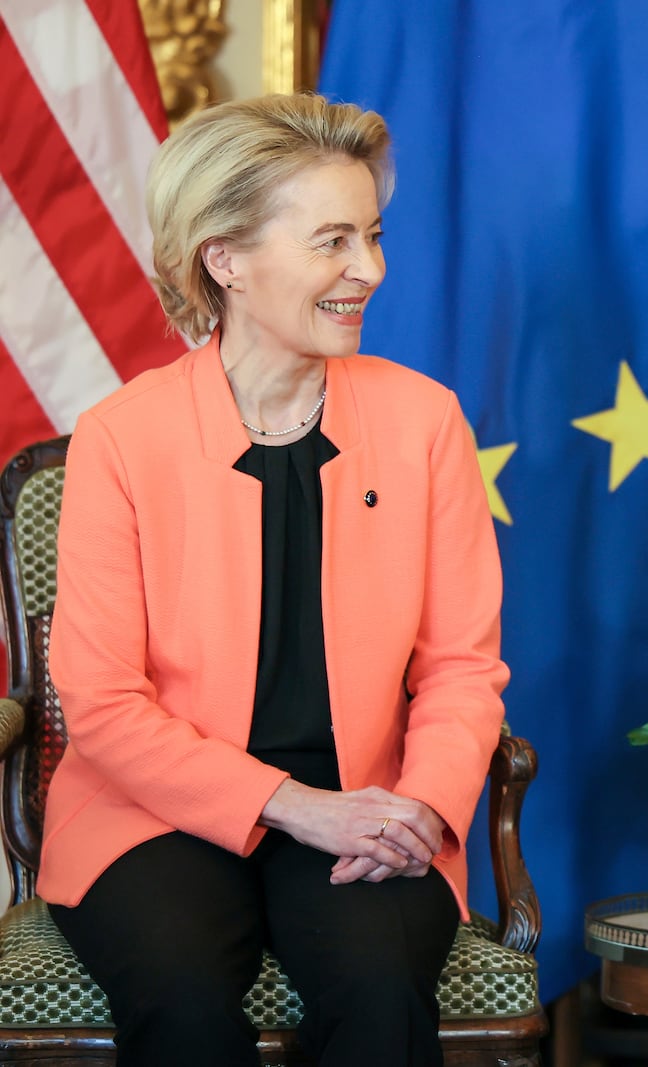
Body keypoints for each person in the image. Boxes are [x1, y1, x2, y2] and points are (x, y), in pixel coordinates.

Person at [42, 94, 509, 1066]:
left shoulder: (426, 422)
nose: (369, 270)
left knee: (379, 993)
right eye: (333, 240)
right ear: (227, 259)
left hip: (370, 800)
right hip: (151, 814)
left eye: (373, 235)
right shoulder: (122, 437)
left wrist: (419, 803)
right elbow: (101, 704)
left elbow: (463, 667)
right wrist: (293, 804)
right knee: (181, 1003)